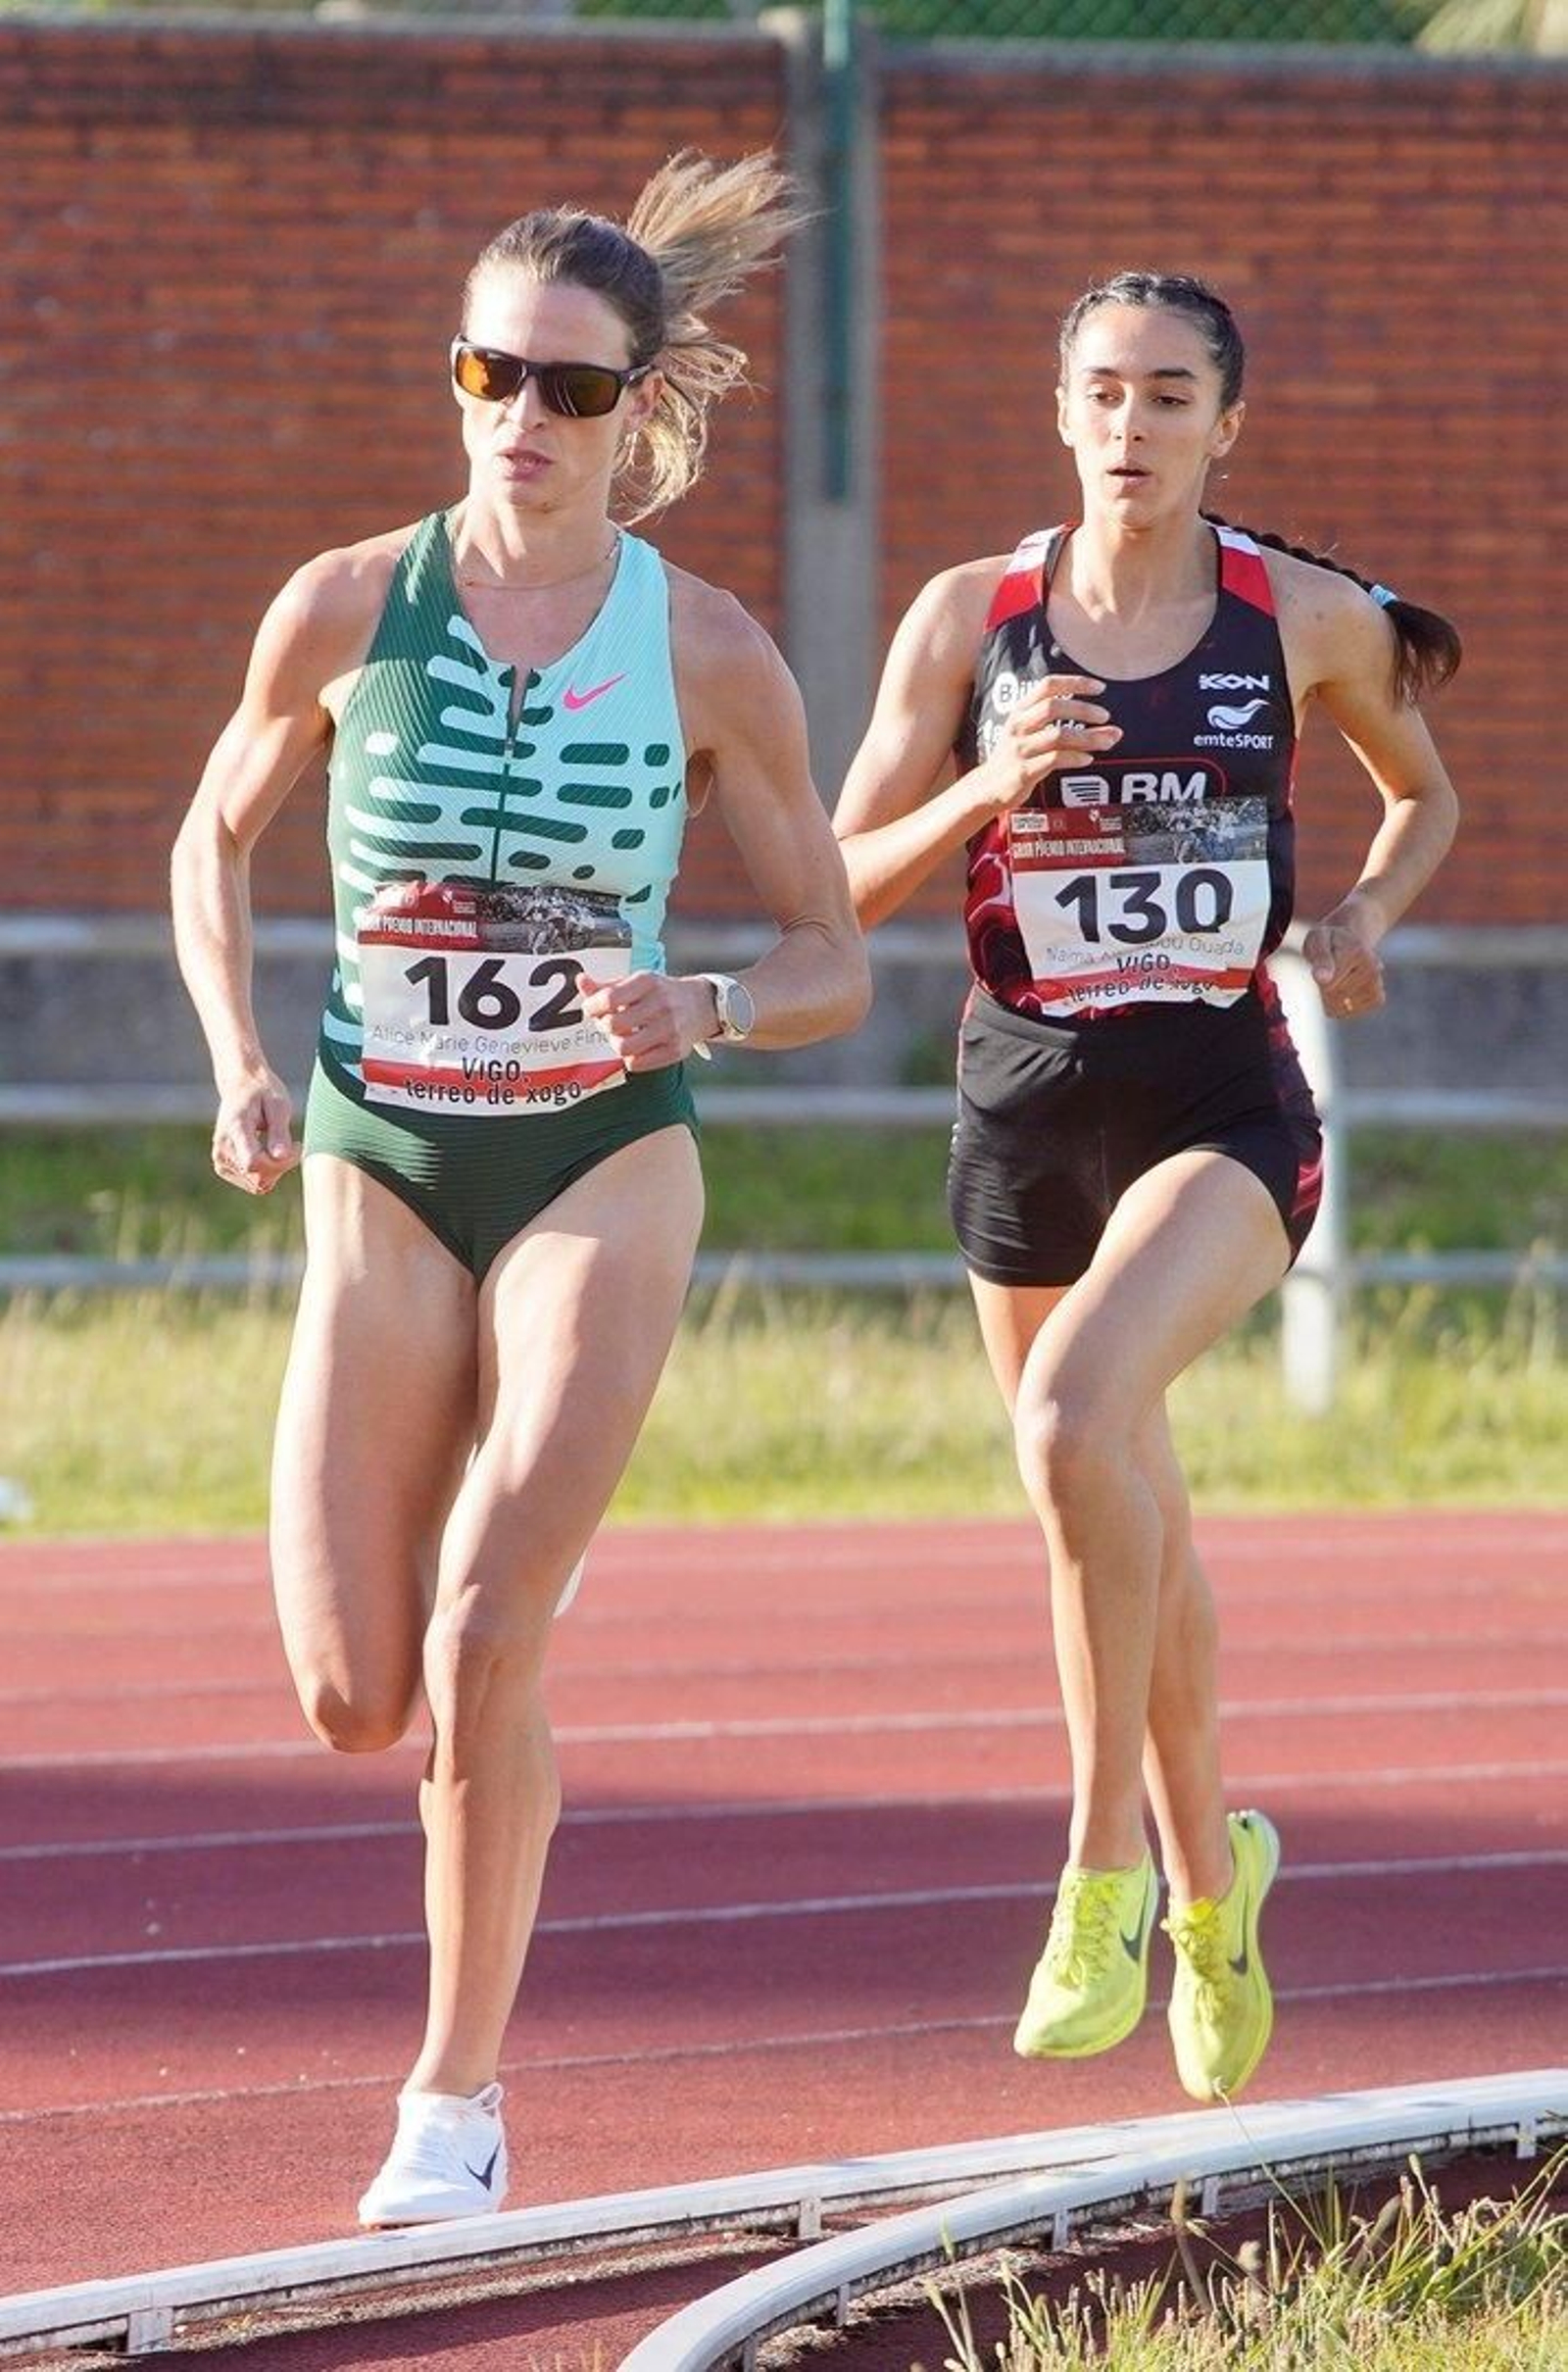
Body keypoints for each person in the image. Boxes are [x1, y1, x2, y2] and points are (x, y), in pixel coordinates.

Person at [172, 151, 869, 2226]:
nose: (526, 420)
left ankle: (448, 2105)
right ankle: (478, 1640)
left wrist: (708, 1006)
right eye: (496, 374)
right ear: (454, 380)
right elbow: (213, 840)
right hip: (383, 1155)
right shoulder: (336, 602)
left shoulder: (712, 649)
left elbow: (835, 954)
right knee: (347, 1690)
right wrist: (235, 1060)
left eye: (573, 390)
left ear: (639, 414)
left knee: (486, 1633)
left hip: (596, 1156)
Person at [833, 271, 1459, 2104]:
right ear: (1059, 411)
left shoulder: (1304, 619)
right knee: (1119, 1516)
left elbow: (1424, 799)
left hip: (1220, 1110)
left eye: (1169, 397)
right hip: (1027, 1109)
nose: (1131, 428)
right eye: (1102, 392)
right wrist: (986, 785)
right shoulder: (973, 620)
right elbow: (839, 887)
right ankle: (1216, 1891)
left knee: (1069, 1424)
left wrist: (1355, 917)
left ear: (1223, 426)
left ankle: (1099, 1865)